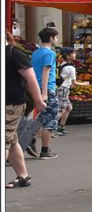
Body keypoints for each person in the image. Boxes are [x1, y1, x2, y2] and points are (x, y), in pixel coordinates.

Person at [6, 32, 48, 187]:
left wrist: (39, 100)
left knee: (4, 139)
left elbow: (31, 78)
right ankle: (23, 176)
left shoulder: (14, 53)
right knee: (11, 139)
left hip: (12, 104)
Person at [28, 27, 59, 159]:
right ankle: (45, 150)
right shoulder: (50, 53)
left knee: (40, 118)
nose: (56, 39)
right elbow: (46, 72)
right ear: (51, 38)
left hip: (34, 87)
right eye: (56, 37)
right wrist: (45, 93)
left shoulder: (35, 53)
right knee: (50, 120)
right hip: (47, 89)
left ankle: (30, 138)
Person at [56, 49, 77, 135]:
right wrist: (85, 84)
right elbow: (74, 82)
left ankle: (61, 127)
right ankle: (51, 128)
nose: (75, 54)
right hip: (63, 89)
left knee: (69, 108)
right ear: (68, 56)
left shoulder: (62, 64)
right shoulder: (71, 67)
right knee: (61, 109)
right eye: (73, 53)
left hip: (61, 88)